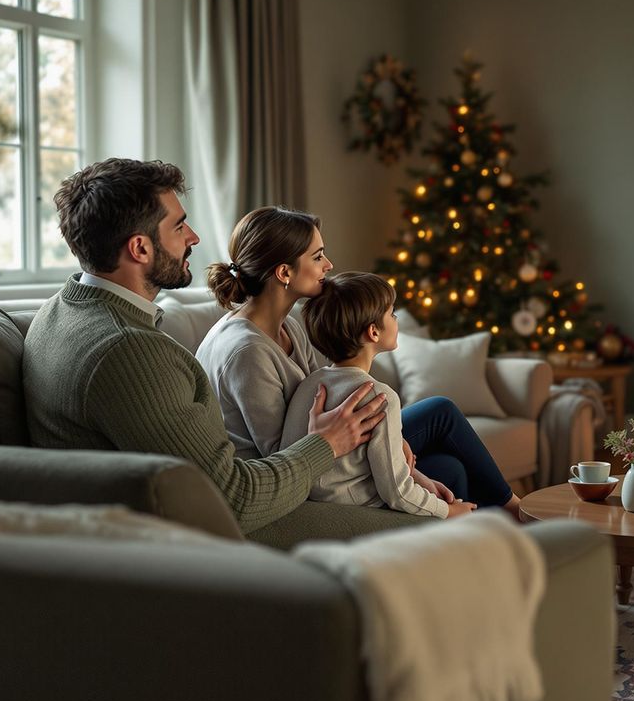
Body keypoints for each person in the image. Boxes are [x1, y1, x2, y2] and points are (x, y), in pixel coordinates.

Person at [22, 159, 387, 535]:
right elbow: (233, 501)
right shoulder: (128, 351)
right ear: (140, 248)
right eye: (179, 227)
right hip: (216, 536)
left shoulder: (58, 310)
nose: (193, 237)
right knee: (438, 526)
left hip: (177, 516)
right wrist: (327, 442)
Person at [196, 206, 506, 507]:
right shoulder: (246, 351)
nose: (328, 265)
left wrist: (395, 442)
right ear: (284, 272)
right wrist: (382, 440)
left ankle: (490, 531)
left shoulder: (287, 325)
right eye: (317, 257)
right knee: (441, 419)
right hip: (297, 483)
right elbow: (282, 456)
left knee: (447, 464)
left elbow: (326, 392)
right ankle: (509, 513)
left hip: (327, 449)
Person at [282, 271, 521, 519]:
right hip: (357, 508)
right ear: (373, 332)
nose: (396, 320)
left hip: (320, 500)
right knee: (453, 487)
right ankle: (485, 529)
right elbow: (396, 491)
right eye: (392, 314)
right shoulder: (379, 397)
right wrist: (449, 511)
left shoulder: (308, 385)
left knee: (452, 468)